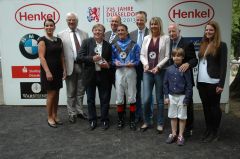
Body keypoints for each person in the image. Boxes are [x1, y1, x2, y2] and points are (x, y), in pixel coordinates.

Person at [76, 24, 112, 130]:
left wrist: (108, 64)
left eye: (100, 30)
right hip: (90, 76)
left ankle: (105, 120)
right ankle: (92, 120)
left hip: (104, 75)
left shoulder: (108, 45)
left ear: (103, 33)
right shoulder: (87, 42)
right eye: (95, 30)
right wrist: (92, 58)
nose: (97, 32)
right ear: (92, 31)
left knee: (105, 99)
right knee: (90, 99)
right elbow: (79, 58)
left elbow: (110, 60)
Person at [197, 21, 227, 142]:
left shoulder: (221, 45)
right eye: (207, 30)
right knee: (206, 107)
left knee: (214, 107)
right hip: (201, 81)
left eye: (211, 30)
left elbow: (223, 66)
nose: (208, 32)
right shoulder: (203, 43)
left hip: (214, 81)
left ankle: (215, 131)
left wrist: (221, 84)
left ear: (216, 32)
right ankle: (208, 129)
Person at [140, 17, 170, 133]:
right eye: (151, 24)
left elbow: (167, 56)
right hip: (147, 72)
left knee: (159, 99)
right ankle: (147, 121)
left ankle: (160, 123)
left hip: (160, 72)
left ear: (159, 25)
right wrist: (146, 64)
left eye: (155, 24)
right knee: (146, 99)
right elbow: (142, 54)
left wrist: (158, 67)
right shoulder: (146, 38)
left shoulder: (166, 38)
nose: (153, 26)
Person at [168, 23, 198, 136]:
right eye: (169, 31)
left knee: (187, 104)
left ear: (179, 31)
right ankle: (176, 129)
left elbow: (195, 60)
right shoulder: (169, 43)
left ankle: (189, 127)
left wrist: (188, 64)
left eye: (173, 31)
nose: (171, 33)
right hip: (173, 80)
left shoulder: (187, 43)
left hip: (185, 80)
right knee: (175, 105)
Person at [58, 12, 89, 123]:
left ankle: (80, 111)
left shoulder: (85, 34)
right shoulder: (60, 35)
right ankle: (72, 113)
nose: (71, 22)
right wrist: (63, 69)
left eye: (73, 20)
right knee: (71, 92)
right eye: (69, 20)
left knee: (81, 91)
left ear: (77, 21)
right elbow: (60, 54)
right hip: (70, 67)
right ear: (67, 21)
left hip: (83, 66)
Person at [38, 19, 66, 128]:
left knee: (57, 93)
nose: (49, 27)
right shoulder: (42, 40)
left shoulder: (59, 40)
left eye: (51, 25)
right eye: (47, 25)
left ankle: (55, 115)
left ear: (54, 27)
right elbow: (41, 57)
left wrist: (64, 69)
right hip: (48, 72)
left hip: (58, 70)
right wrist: (47, 72)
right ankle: (49, 117)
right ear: (44, 27)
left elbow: (61, 56)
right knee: (51, 94)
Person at [112, 24, 140, 130]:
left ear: (127, 31)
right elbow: (112, 59)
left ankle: (132, 121)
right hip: (119, 71)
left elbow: (138, 61)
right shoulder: (114, 45)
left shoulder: (134, 45)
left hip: (130, 71)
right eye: (118, 30)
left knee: (132, 96)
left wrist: (133, 63)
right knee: (119, 97)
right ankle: (120, 121)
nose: (120, 32)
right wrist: (115, 62)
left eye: (122, 30)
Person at [164, 48, 192, 146]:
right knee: (173, 116)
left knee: (182, 117)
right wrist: (166, 96)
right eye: (175, 55)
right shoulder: (168, 69)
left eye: (179, 56)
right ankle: (173, 134)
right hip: (171, 97)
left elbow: (189, 85)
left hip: (182, 97)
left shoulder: (186, 70)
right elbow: (165, 84)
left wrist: (187, 98)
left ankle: (180, 135)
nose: (176, 57)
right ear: (172, 57)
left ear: (183, 57)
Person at [129, 11, 151, 124]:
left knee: (148, 93)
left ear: (146, 20)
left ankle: (148, 116)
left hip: (148, 66)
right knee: (136, 92)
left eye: (141, 19)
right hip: (135, 67)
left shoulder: (151, 33)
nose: (139, 21)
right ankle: (138, 115)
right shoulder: (131, 34)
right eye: (137, 19)